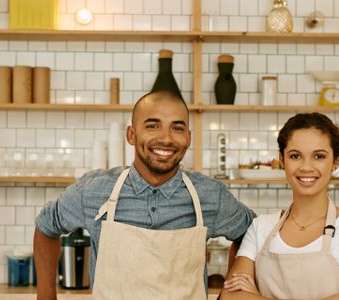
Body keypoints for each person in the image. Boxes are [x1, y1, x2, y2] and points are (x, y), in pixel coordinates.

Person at [34, 90, 255, 300]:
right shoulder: (93, 191)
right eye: (152, 126)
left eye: (177, 128)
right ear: (131, 134)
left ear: (188, 138)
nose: (166, 138)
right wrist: (46, 296)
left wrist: (232, 291)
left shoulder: (210, 195)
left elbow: (252, 233)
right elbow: (46, 226)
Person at [220, 112, 339, 300]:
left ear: (336, 161)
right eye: (295, 156)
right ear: (282, 160)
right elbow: (230, 296)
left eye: (319, 156)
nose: (306, 167)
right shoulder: (260, 227)